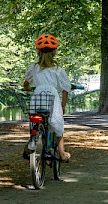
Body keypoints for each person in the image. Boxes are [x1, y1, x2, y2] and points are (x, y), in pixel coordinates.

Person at [23, 34, 72, 162]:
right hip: (52, 98)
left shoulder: (33, 68)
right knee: (57, 124)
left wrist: (28, 88)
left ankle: (32, 141)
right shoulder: (58, 70)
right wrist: (63, 106)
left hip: (38, 97)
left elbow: (26, 83)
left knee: (36, 122)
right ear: (54, 52)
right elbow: (65, 89)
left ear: (38, 52)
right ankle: (61, 153)